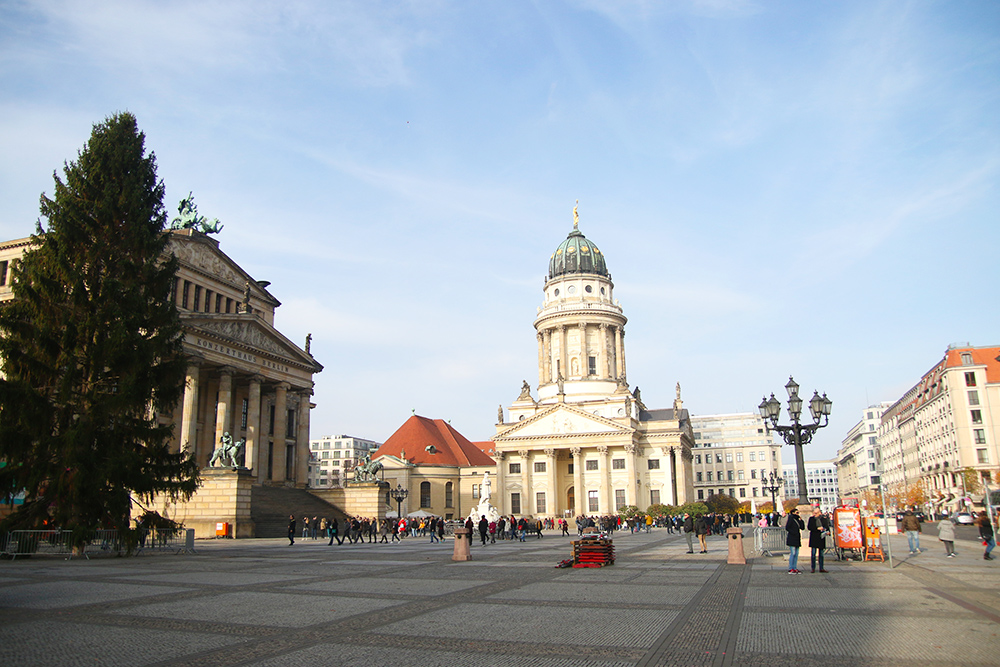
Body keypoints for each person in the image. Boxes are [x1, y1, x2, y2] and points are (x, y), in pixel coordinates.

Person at [807, 507, 830, 573]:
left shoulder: (823, 519)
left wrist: (826, 531)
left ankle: (821, 567)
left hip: (821, 538)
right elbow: (809, 527)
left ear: (819, 513)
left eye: (816, 513)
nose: (814, 514)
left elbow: (826, 527)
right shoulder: (811, 519)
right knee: (813, 554)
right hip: (814, 537)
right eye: (814, 513)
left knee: (821, 554)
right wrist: (817, 528)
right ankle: (813, 568)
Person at [784, 507, 804, 574]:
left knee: (796, 553)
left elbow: (802, 527)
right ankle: (791, 568)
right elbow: (787, 527)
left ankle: (795, 567)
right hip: (792, 538)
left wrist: (801, 520)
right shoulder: (791, 518)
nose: (798, 514)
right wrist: (793, 532)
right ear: (793, 513)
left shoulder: (797, 519)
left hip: (797, 538)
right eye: (797, 512)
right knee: (793, 553)